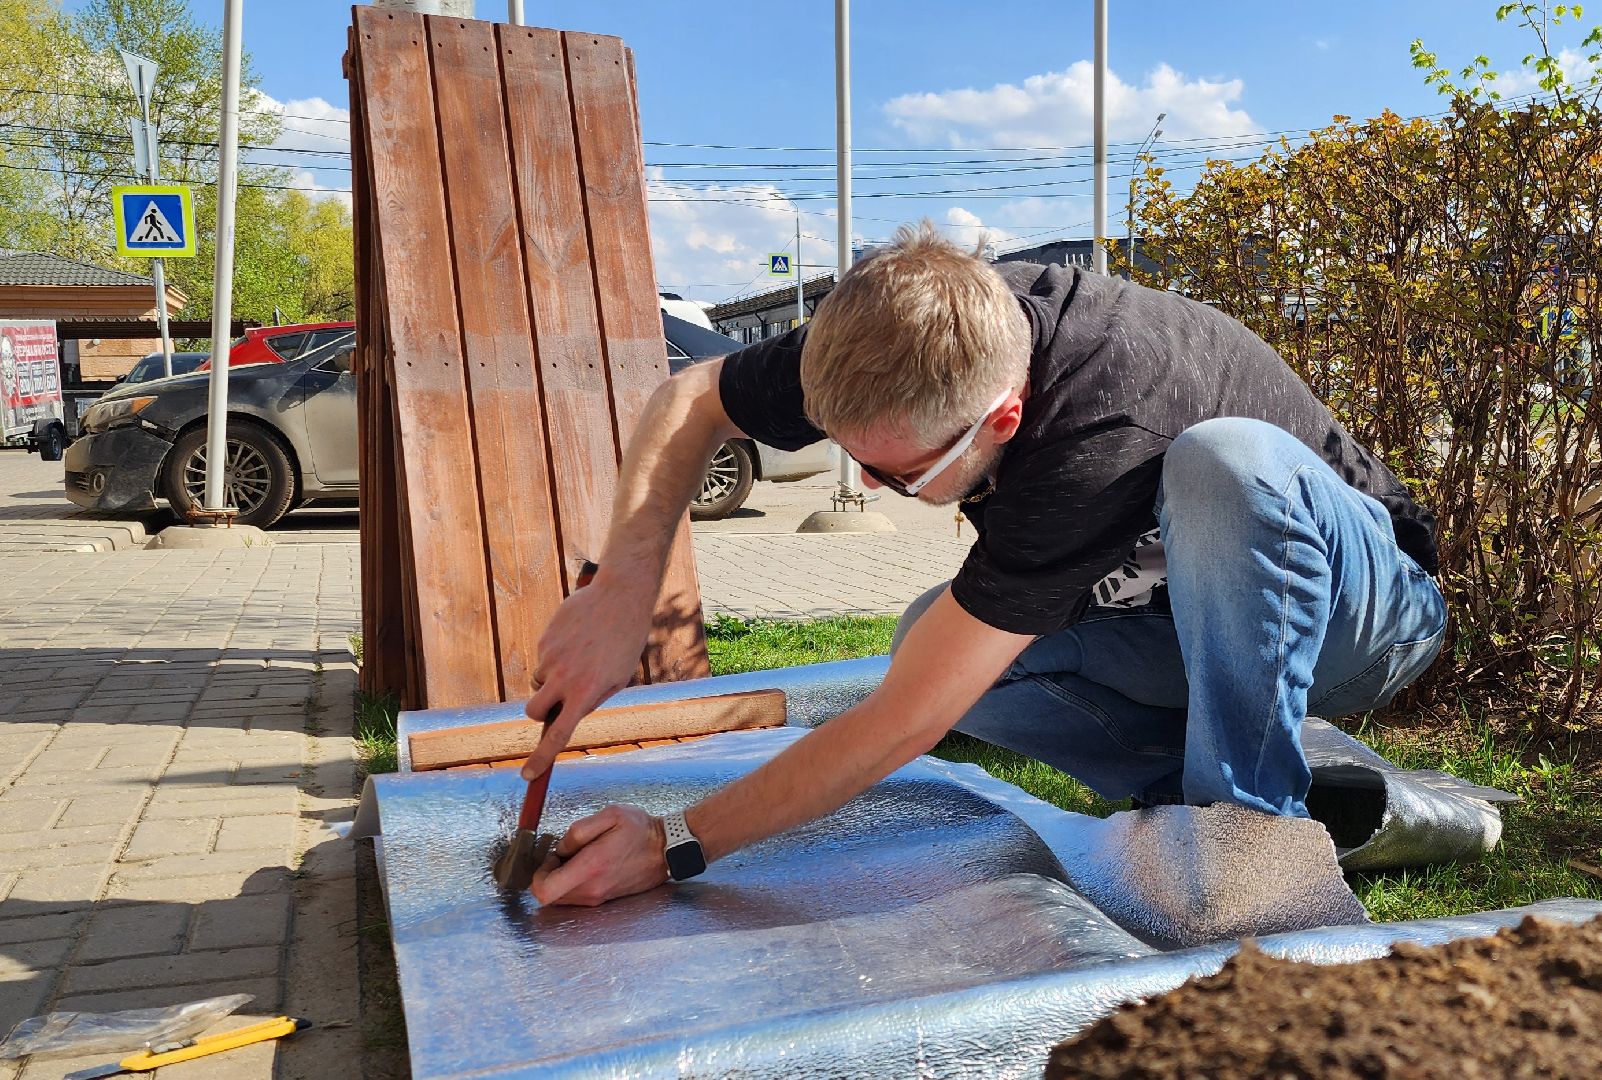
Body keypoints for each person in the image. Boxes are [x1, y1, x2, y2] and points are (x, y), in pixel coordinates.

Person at [520, 222, 1446, 907]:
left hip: (1363, 620)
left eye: (898, 470)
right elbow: (693, 396)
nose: (873, 487)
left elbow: (903, 726)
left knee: (1223, 462)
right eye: (854, 460)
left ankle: (1252, 840)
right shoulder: (901, 334)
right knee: (933, 641)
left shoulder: (1103, 420)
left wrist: (674, 843)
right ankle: (1206, 796)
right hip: (1188, 617)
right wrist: (622, 589)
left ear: (1002, 419)